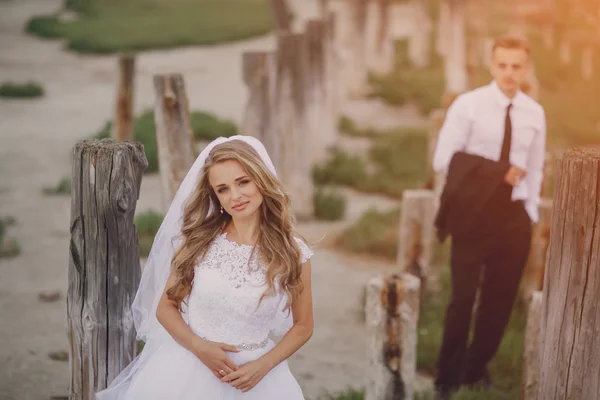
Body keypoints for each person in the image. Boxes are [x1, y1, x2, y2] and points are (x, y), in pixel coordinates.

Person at [96, 135, 315, 400]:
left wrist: (264, 366)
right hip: (188, 370)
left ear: (261, 180)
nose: (235, 196)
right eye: (222, 189)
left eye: (243, 182)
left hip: (259, 378)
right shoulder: (201, 241)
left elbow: (303, 326)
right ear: (214, 195)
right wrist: (199, 348)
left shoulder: (292, 251)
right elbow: (166, 307)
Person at [432, 34, 546, 397]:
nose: (509, 73)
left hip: (513, 217)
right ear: (491, 64)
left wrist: (528, 211)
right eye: (502, 65)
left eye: (516, 66)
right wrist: (497, 171)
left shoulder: (534, 113)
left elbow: (535, 167)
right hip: (472, 216)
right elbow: (443, 159)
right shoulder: (469, 105)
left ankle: (475, 367)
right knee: (462, 299)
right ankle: (446, 378)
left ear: (526, 68)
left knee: (499, 301)